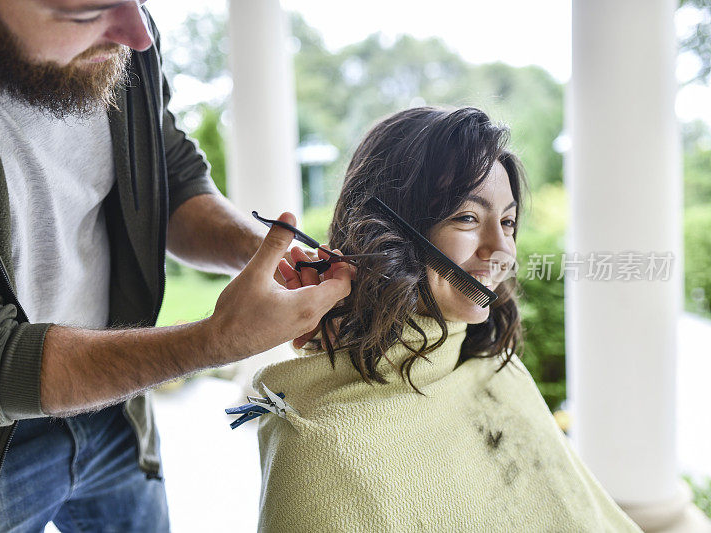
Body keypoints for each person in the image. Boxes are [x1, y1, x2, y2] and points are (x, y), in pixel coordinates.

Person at [0, 0, 352, 531]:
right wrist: (217, 341)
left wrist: (264, 252)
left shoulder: (121, 31)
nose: (139, 35)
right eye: (86, 13)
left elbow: (168, 178)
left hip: (117, 406)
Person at [254, 106, 643, 532]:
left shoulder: (494, 367)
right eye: (467, 217)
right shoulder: (318, 449)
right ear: (388, 230)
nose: (502, 249)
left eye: (509, 222)